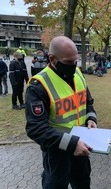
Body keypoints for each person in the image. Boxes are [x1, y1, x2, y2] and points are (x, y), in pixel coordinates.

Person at [25, 36, 98, 189]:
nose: (73, 66)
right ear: (52, 59)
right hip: (57, 152)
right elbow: (36, 129)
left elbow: (87, 101)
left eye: (75, 61)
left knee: (83, 183)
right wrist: (72, 144)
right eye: (68, 62)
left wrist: (91, 118)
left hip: (81, 145)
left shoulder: (77, 73)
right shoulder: (39, 86)